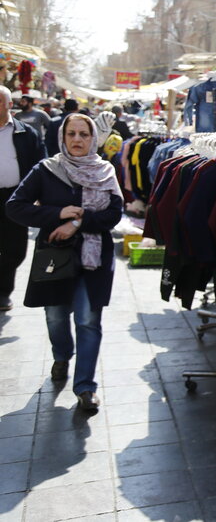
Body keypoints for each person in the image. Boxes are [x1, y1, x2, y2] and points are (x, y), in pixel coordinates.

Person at [6, 113, 123, 411]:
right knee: (56, 318)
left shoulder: (105, 171)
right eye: (71, 133)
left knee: (87, 320)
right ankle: (61, 355)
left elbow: (112, 216)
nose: (77, 140)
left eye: (84, 134)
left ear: (94, 137)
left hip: (94, 259)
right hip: (55, 258)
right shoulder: (46, 170)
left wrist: (77, 223)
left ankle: (85, 387)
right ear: (62, 136)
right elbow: (15, 207)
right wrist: (57, 215)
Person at [0, 86, 45, 312]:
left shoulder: (26, 133)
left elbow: (40, 165)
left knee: (16, 249)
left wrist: (40, 196)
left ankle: (3, 290)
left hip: (15, 197)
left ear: (9, 105)